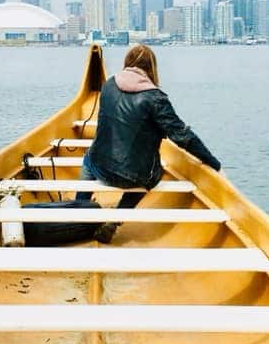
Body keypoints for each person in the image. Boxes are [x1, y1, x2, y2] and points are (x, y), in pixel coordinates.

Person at [77, 44, 221, 242]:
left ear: (127, 64)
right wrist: (212, 162)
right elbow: (182, 136)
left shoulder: (109, 85)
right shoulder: (156, 98)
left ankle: (78, 208)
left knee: (88, 157)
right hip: (134, 178)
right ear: (152, 69)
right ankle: (116, 218)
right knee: (152, 172)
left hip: (101, 168)